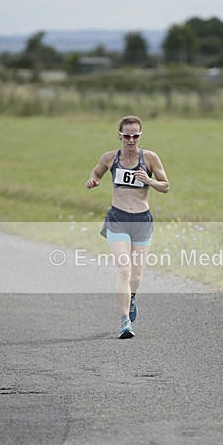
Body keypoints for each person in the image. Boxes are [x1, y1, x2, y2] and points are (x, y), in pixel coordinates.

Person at [86, 115, 170, 339]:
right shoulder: (110, 157)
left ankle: (131, 297)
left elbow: (166, 186)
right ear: (120, 136)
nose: (131, 140)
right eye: (127, 136)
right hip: (118, 219)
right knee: (124, 269)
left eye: (135, 136)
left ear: (140, 136)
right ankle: (125, 321)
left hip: (142, 220)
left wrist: (149, 180)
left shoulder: (150, 158)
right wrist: (93, 181)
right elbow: (96, 173)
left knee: (136, 275)